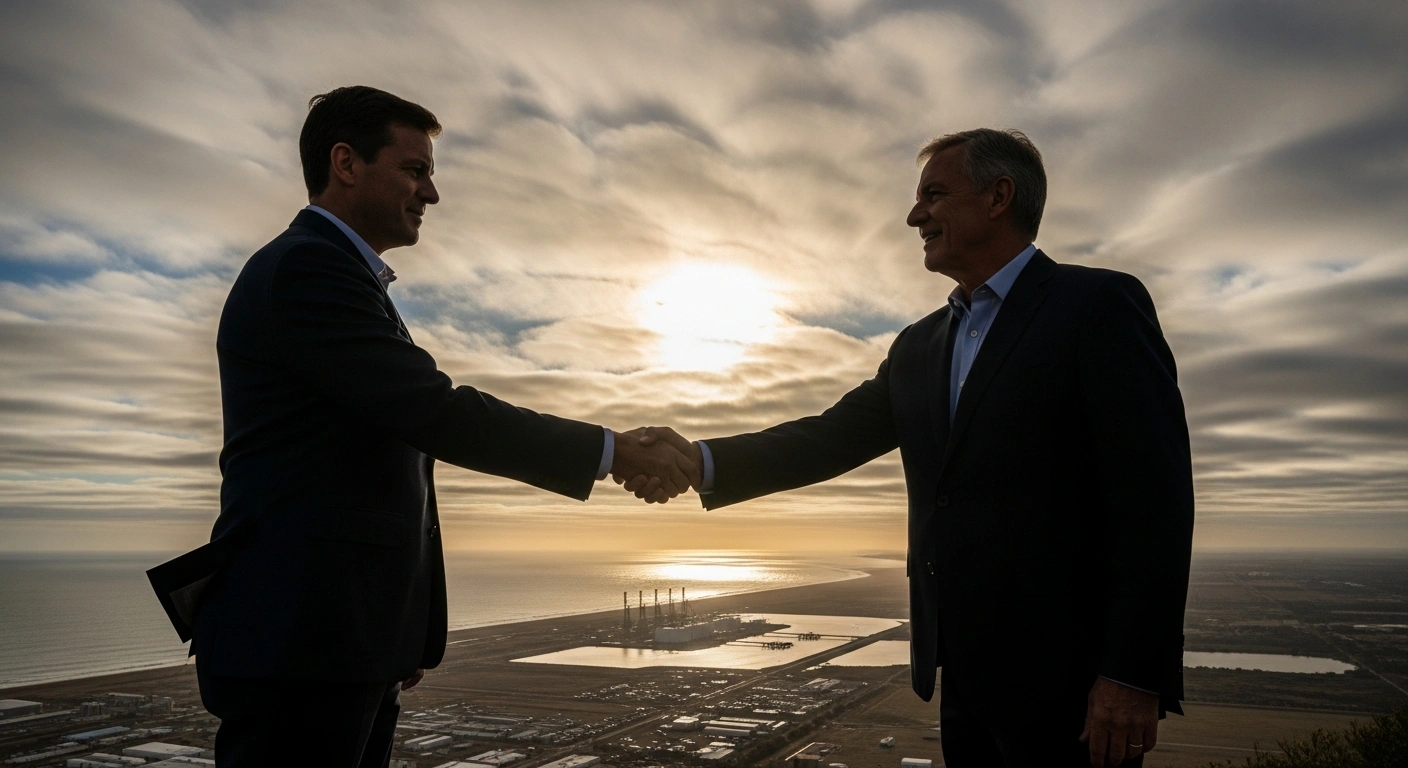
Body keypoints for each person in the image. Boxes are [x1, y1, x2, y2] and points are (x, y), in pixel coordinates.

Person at [148, 86, 695, 768]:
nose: (430, 193)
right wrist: (610, 450)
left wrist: (396, 631)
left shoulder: (346, 278)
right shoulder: (307, 269)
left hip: (343, 642)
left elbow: (373, 470)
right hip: (300, 646)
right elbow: (435, 412)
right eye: (415, 169)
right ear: (346, 163)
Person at [625, 129, 1194, 767]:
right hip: (963, 678)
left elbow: (1155, 501)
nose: (913, 213)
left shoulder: (1096, 307)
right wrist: (698, 460)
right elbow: (829, 437)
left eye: (934, 193)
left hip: (1076, 688)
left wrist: (1132, 674)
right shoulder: (918, 345)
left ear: (998, 197)